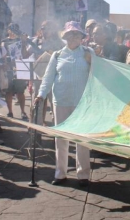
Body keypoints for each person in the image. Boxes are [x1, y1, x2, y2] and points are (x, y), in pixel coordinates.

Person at [34, 22, 93, 187]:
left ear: (82, 37)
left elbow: (98, 73)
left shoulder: (88, 53)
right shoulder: (58, 55)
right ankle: (60, 173)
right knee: (61, 138)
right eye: (70, 34)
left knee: (81, 138)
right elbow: (48, 77)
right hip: (61, 100)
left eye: (77, 34)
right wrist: (41, 94)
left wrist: (93, 62)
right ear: (65, 37)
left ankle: (83, 174)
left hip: (82, 101)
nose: (73, 37)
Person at [2, 23, 28, 121]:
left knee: (20, 92)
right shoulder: (4, 41)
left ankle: (23, 111)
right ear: (8, 30)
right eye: (11, 29)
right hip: (8, 69)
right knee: (8, 92)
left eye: (15, 29)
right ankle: (10, 111)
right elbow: (2, 55)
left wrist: (24, 44)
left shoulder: (20, 41)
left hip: (19, 68)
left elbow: (25, 55)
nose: (13, 31)